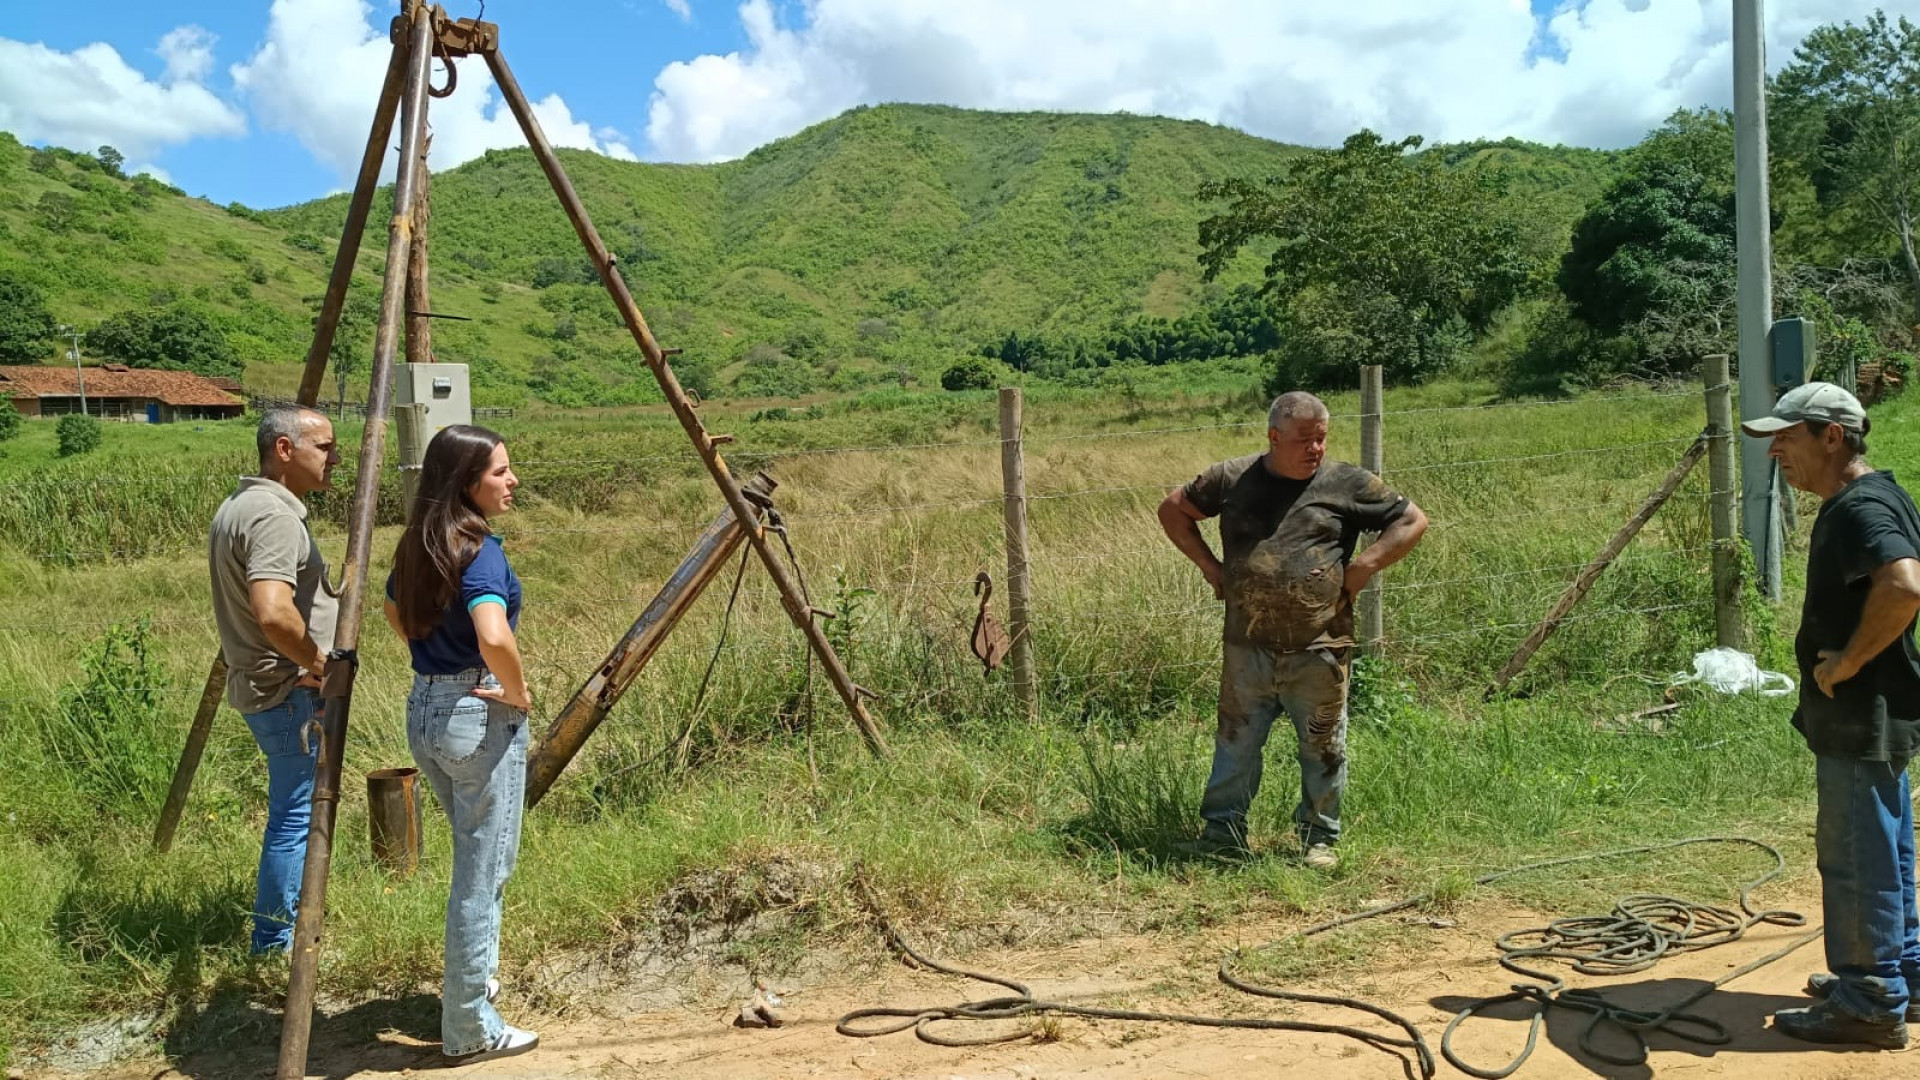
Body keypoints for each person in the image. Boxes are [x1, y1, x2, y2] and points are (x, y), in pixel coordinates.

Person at [1157, 391, 1427, 870]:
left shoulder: (1347, 482)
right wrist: (1210, 568)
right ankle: (1222, 835)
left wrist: (1363, 567)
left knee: (1323, 746)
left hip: (1321, 647)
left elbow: (1410, 521)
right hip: (1247, 646)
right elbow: (1173, 509)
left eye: (1321, 439)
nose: (1315, 449)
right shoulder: (1231, 479)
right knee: (1236, 743)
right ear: (1274, 436)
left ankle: (1319, 839)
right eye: (1304, 439)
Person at [1745, 382, 1920, 1050]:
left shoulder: (1860, 508)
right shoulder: (1875, 496)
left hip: (1862, 713)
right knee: (1887, 846)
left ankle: (1869, 1001)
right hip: (1881, 713)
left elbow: (1904, 585)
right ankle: (1901, 972)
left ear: (1832, 436)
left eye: (1786, 438)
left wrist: (1846, 662)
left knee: (1856, 856)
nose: (1776, 452)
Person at [384, 424, 538, 1063]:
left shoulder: (418, 543)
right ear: (466, 481)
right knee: (481, 874)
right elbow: (494, 634)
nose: (512, 481)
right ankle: (470, 1025)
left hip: (425, 710)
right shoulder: (482, 551)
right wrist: (517, 692)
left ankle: (473, 984)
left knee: (481, 859)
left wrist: (434, 664)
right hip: (477, 713)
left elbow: (393, 611)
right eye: (500, 471)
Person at [208, 405, 341, 954]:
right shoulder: (275, 518)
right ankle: (274, 940)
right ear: (284, 451)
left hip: (265, 685)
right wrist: (319, 663)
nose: (335, 458)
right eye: (325, 447)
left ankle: (277, 930)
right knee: (293, 818)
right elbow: (272, 611)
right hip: (288, 692)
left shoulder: (242, 505)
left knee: (291, 811)